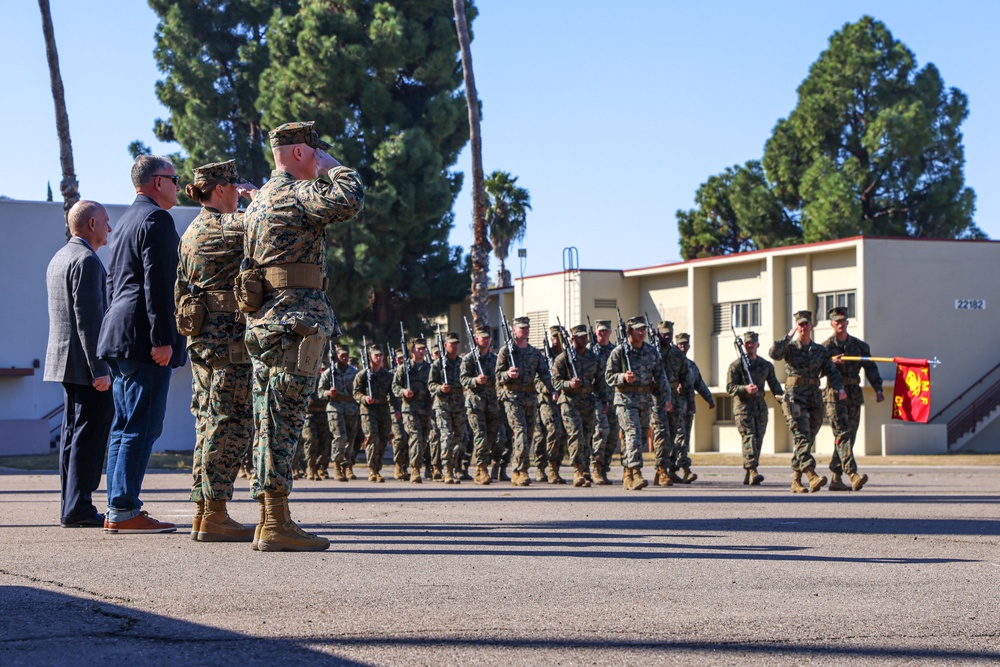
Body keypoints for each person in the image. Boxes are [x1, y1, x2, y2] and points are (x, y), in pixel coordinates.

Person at [242, 121, 364, 551]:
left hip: (264, 322)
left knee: (267, 419)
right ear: (299, 153)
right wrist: (336, 168)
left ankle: (268, 520)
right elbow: (350, 199)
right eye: (316, 151)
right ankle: (276, 523)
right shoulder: (296, 191)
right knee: (285, 421)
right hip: (296, 322)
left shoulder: (257, 202)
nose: (319, 158)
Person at [97, 155, 188, 534]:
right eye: (174, 178)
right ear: (156, 182)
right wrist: (163, 339)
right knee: (142, 426)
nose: (178, 186)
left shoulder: (124, 223)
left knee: (123, 426)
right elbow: (159, 284)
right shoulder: (155, 219)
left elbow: (112, 284)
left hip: (119, 335)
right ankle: (124, 510)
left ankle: (117, 507)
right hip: (143, 340)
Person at [176, 159, 258, 542]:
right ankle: (216, 512)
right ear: (222, 189)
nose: (238, 193)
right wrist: (258, 198)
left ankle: (203, 511)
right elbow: (264, 224)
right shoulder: (223, 226)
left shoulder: (191, 231)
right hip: (226, 341)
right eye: (235, 187)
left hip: (203, 341)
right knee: (231, 421)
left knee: (209, 422)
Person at [44, 200, 114, 528]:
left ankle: (71, 504)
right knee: (88, 435)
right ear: (90, 225)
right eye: (105, 222)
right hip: (85, 366)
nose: (109, 228)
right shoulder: (87, 260)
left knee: (72, 434)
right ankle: (80, 507)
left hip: (64, 362)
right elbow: (89, 321)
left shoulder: (60, 257)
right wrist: (100, 369)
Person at [769, 310, 845, 493]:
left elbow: (831, 371)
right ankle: (812, 476)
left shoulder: (820, 350)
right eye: (800, 324)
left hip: (814, 398)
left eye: (805, 324)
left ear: (811, 326)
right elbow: (774, 353)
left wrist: (839, 388)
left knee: (806, 440)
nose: (803, 327)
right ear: (797, 326)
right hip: (794, 397)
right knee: (802, 436)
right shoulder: (790, 348)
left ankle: (796, 480)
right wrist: (788, 336)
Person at [820, 306, 884, 491]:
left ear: (847, 322)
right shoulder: (825, 348)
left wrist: (878, 389)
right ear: (831, 324)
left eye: (843, 320)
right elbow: (815, 369)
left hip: (854, 394)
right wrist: (831, 363)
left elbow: (870, 368)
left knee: (849, 437)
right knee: (843, 434)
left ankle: (836, 478)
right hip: (834, 395)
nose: (840, 324)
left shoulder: (859, 346)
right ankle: (852, 474)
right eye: (836, 321)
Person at [606, 317, 670, 491]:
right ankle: (636, 473)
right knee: (632, 434)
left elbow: (661, 377)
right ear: (629, 331)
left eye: (643, 329)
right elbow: (608, 376)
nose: (641, 332)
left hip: (644, 401)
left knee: (639, 438)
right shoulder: (619, 351)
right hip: (625, 400)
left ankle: (627, 472)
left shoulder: (651, 352)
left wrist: (666, 398)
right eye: (637, 329)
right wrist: (623, 378)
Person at [495, 316, 556, 486]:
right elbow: (497, 376)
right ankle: (519, 471)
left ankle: (522, 468)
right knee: (520, 432)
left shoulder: (535, 353)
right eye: (521, 328)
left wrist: (552, 390)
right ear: (514, 330)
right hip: (512, 398)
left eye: (527, 328)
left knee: (528, 436)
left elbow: (544, 374)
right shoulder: (506, 352)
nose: (525, 330)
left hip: (530, 399)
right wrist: (508, 374)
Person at [552, 324, 609, 487]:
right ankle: (577, 471)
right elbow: (555, 382)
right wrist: (569, 384)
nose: (584, 340)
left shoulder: (593, 358)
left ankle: (585, 469)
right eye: (580, 337)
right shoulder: (562, 358)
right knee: (575, 435)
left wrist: (604, 401)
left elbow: (600, 382)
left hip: (588, 401)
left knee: (586, 437)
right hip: (569, 402)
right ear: (572, 338)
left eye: (585, 337)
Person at [726, 331, 782, 485]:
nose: (750, 345)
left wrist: (785, 403)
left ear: (758, 344)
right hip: (743, 408)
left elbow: (775, 386)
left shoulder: (766, 365)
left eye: (752, 343)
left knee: (758, 440)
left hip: (760, 407)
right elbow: (730, 388)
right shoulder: (736, 366)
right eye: (747, 343)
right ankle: (752, 470)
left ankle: (749, 473)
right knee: (749, 437)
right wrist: (744, 389)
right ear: (744, 345)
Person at [651, 321, 693, 486]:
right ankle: (662, 470)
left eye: (669, 333)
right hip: (657, 398)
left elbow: (686, 380)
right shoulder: (651, 352)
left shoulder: (678, 355)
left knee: (672, 435)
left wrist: (690, 401)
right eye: (664, 333)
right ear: (658, 334)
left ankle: (661, 470)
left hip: (674, 399)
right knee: (662, 434)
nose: (667, 336)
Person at [460, 325, 500, 486]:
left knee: (492, 437)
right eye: (482, 337)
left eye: (487, 338)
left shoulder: (494, 359)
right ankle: (481, 469)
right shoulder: (469, 359)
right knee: (480, 436)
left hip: (492, 404)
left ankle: (484, 463)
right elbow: (463, 379)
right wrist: (475, 380)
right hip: (475, 404)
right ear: (476, 339)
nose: (485, 340)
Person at [429, 332, 467, 484]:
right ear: (445, 345)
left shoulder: (463, 363)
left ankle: (453, 464)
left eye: (456, 343)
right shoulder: (438, 364)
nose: (455, 346)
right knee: (446, 436)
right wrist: (440, 388)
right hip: (443, 404)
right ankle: (447, 471)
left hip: (459, 404)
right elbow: (431, 385)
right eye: (451, 343)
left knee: (459, 438)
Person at [393, 338, 433, 483]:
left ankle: (417, 464)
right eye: (419, 348)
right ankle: (415, 469)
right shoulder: (405, 368)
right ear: (413, 350)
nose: (422, 351)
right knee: (415, 437)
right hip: (409, 408)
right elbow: (395, 387)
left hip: (426, 408)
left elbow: (434, 384)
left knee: (423, 440)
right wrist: (403, 392)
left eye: (423, 348)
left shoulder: (430, 367)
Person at [319, 345, 360, 482]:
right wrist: (328, 393)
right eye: (342, 355)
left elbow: (359, 389)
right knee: (339, 437)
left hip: (350, 407)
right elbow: (320, 392)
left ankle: (347, 465)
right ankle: (337, 466)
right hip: (335, 407)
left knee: (350, 438)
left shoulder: (354, 372)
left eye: (346, 355)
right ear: (336, 356)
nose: (345, 357)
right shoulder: (329, 373)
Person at [354, 345, 394, 483]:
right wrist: (364, 398)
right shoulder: (362, 375)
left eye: (380, 355)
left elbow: (392, 394)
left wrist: (397, 410)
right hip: (368, 410)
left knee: (383, 439)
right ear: (370, 357)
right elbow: (356, 393)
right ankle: (372, 470)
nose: (378, 358)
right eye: (375, 355)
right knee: (372, 438)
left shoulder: (388, 375)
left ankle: (378, 468)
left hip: (383, 409)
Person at [534, 326, 568, 483]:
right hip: (546, 400)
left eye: (558, 336)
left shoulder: (567, 356)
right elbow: (536, 380)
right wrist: (548, 389)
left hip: (564, 399)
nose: (556, 339)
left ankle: (555, 467)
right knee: (548, 433)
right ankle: (541, 467)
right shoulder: (542, 355)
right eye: (553, 336)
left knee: (562, 434)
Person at [675, 333, 715, 464]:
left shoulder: (691, 365)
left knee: (685, 437)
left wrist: (709, 398)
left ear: (689, 346)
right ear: (676, 345)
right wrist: (675, 387)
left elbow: (699, 384)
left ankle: (675, 467)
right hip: (675, 407)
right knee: (679, 436)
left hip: (689, 407)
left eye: (685, 344)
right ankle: (684, 465)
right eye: (680, 344)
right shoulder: (671, 363)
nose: (683, 346)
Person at [588, 320, 617, 485]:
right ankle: (596, 467)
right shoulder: (591, 352)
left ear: (610, 332)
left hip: (614, 398)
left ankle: (605, 468)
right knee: (602, 432)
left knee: (613, 436)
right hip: (597, 398)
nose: (603, 334)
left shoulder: (616, 351)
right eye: (600, 331)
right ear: (596, 332)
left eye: (606, 331)